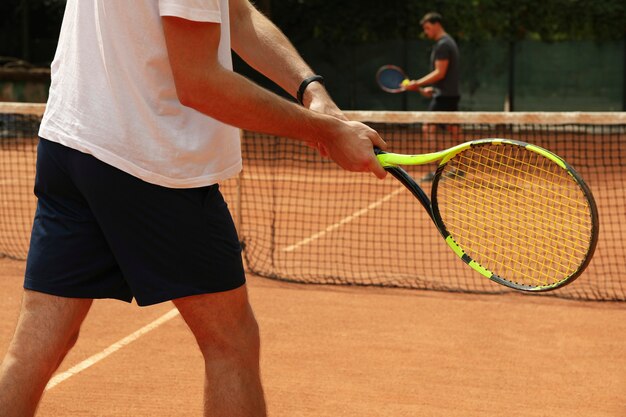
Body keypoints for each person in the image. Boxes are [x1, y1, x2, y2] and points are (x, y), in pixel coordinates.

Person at [0, 1, 387, 416]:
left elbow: (235, 14)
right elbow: (199, 82)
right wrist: (325, 131)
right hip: (151, 162)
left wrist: (312, 92)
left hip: (71, 142)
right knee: (230, 342)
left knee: (39, 340)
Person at [404, 12, 461, 136]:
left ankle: (435, 156)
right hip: (450, 95)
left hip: (444, 97)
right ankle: (466, 155)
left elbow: (440, 73)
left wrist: (416, 83)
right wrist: (434, 89)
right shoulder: (448, 42)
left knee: (428, 127)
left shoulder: (443, 45)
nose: (425, 31)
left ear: (437, 25)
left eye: (427, 28)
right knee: (454, 129)